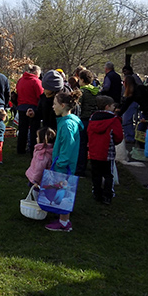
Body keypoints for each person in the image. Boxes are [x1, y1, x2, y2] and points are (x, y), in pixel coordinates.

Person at [44, 89, 83, 232]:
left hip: (64, 164)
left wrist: (60, 163)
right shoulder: (66, 121)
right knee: (62, 190)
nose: (52, 106)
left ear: (62, 105)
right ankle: (62, 217)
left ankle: (64, 223)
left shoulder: (67, 125)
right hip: (63, 162)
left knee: (64, 191)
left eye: (54, 104)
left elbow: (68, 146)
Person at [87, 95, 124, 205]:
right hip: (108, 152)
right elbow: (118, 136)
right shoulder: (113, 120)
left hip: (94, 151)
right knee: (108, 175)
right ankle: (108, 195)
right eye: (113, 105)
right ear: (107, 106)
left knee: (96, 174)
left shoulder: (92, 118)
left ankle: (97, 193)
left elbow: (89, 132)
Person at [15, 64, 43, 154]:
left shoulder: (20, 80)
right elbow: (40, 95)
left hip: (22, 107)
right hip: (33, 107)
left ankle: (20, 149)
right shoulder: (36, 81)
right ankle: (33, 149)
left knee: (22, 129)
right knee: (34, 130)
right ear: (36, 72)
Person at [76, 69, 100, 175]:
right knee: (94, 146)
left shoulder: (82, 92)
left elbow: (78, 107)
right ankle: (96, 169)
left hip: (84, 120)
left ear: (81, 79)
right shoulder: (95, 91)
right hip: (94, 120)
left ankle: (81, 169)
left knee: (82, 145)